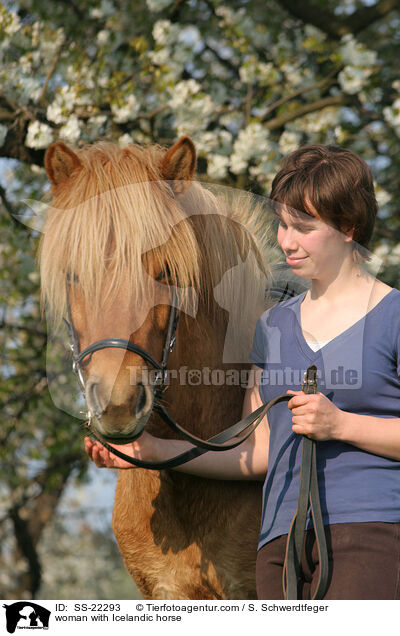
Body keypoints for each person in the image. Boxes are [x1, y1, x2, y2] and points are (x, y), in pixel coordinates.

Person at [85, 145, 400, 600]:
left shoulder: (392, 316)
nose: (286, 241)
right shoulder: (272, 327)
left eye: (304, 228)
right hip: (280, 543)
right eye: (283, 225)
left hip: (371, 529)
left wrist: (342, 425)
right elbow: (257, 450)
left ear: (349, 228)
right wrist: (155, 450)